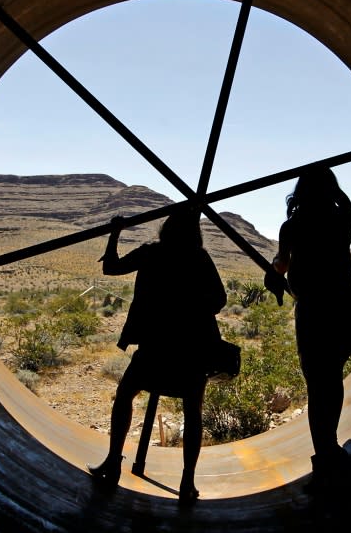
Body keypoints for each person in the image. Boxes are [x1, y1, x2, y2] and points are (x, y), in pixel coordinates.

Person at [87, 207, 227, 505]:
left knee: (125, 394)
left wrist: (115, 233)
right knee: (193, 411)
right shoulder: (198, 258)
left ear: (166, 228)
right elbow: (219, 299)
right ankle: (187, 483)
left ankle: (113, 463)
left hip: (154, 347)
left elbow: (110, 267)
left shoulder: (151, 253)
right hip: (191, 351)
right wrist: (191, 308)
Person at [264, 167, 351, 494]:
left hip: (313, 312)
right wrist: (335, 192)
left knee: (318, 384)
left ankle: (325, 454)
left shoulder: (292, 227)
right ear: (331, 190)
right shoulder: (341, 221)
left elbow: (281, 263)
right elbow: (349, 210)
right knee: (331, 378)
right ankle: (329, 452)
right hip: (344, 305)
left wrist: (276, 271)